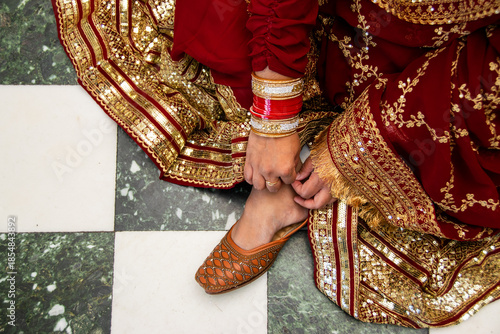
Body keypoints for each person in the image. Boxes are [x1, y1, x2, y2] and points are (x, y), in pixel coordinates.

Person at [51, 0, 500, 328]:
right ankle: (296, 148)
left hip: (464, 58)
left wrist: (362, 144)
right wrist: (274, 113)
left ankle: (311, 167)